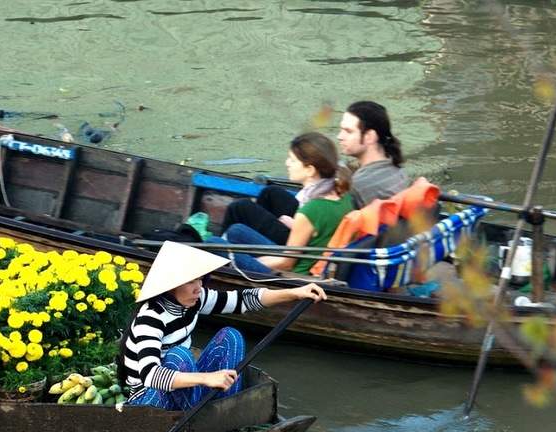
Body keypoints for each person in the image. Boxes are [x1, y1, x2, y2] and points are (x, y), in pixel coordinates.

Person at [120, 241, 325, 410]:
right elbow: (151, 375)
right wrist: (206, 378)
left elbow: (243, 300)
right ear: (171, 286)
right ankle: (199, 419)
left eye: (200, 279)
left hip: (182, 389)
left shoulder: (195, 300)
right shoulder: (151, 317)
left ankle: (224, 412)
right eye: (191, 282)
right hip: (147, 399)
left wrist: (295, 293)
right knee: (179, 356)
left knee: (230, 336)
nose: (198, 288)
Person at [213, 132, 354, 274]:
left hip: (292, 276)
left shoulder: (310, 210)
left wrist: (250, 261)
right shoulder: (343, 195)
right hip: (302, 261)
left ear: (310, 170)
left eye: (292, 160)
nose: (287, 163)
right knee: (236, 230)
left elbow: (286, 263)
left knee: (213, 243)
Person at [337, 101, 409, 209]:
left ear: (369, 137)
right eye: (341, 130)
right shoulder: (399, 171)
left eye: (348, 131)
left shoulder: (357, 186)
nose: (339, 136)